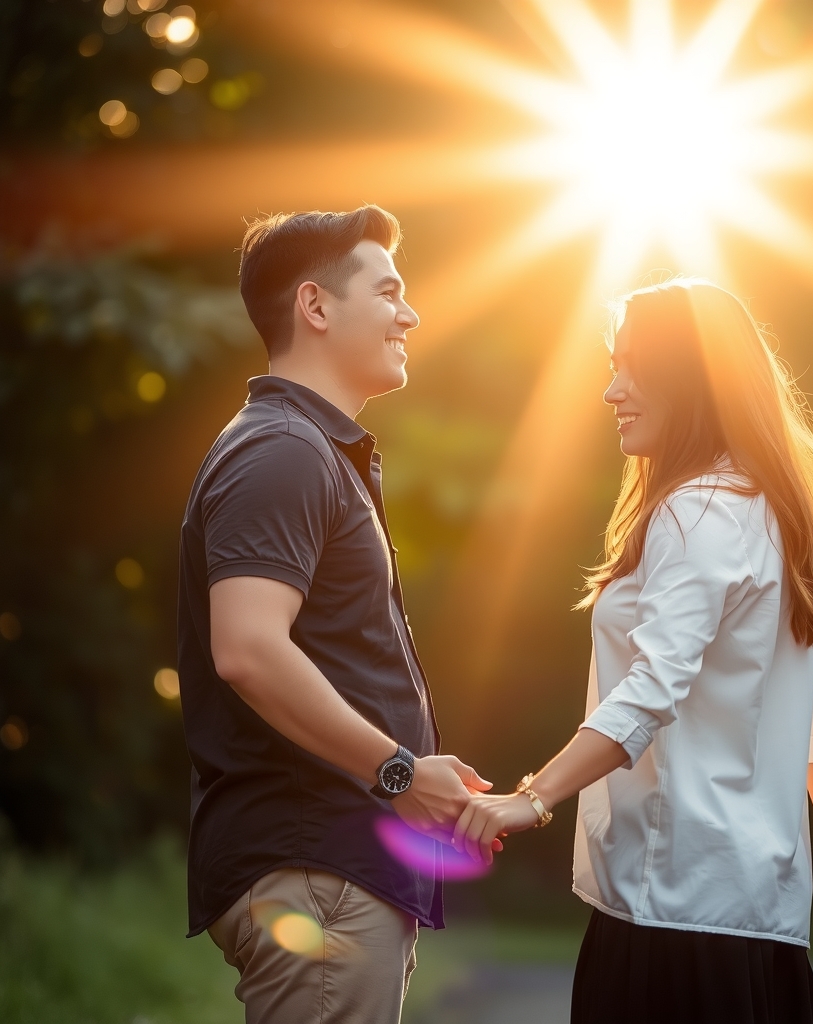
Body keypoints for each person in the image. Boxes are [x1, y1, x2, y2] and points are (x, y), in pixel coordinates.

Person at [453, 279, 813, 1023]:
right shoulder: (784, 519)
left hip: (669, 921)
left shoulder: (694, 512)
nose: (610, 390)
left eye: (632, 366)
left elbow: (653, 688)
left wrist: (531, 798)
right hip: (759, 923)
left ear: (693, 379)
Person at [177, 206, 491, 1024]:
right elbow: (247, 648)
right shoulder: (283, 448)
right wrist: (396, 773)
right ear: (316, 307)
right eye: (388, 291)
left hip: (331, 871)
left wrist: (424, 787)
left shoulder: (308, 449)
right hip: (315, 871)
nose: (411, 313)